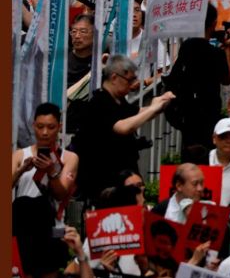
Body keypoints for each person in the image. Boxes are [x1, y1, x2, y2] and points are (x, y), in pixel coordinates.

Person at [71, 56, 174, 202]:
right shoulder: (99, 102)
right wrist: (154, 108)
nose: (133, 85)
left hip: (125, 169)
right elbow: (123, 127)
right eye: (129, 80)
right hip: (104, 176)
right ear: (114, 77)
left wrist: (158, 105)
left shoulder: (119, 100)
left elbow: (136, 113)